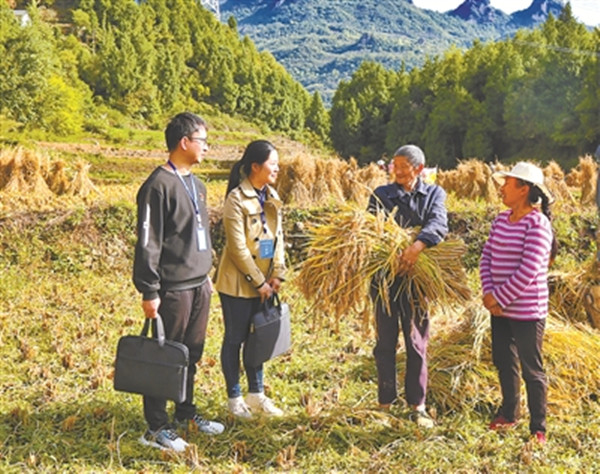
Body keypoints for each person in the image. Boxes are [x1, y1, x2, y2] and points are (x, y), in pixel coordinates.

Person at [133, 112, 224, 452]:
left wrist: (206, 275)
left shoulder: (197, 185)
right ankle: (156, 427)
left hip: (199, 283)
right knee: (165, 355)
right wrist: (150, 289)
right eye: (202, 140)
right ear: (184, 142)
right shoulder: (157, 186)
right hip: (172, 287)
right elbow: (149, 241)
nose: (206, 147)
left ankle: (186, 413)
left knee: (191, 353)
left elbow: (199, 235)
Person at [367, 144, 448, 428]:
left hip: (417, 280)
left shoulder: (434, 194)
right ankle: (385, 404)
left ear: (419, 169)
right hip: (385, 279)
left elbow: (438, 223)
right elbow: (370, 229)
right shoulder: (381, 195)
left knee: (416, 342)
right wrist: (392, 254)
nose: (398, 171)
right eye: (395, 166)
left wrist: (416, 246)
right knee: (385, 342)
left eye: (404, 166)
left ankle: (418, 406)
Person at [479, 162, 556, 445]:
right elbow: (486, 257)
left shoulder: (538, 224)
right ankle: (509, 413)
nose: (501, 188)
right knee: (504, 360)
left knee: (531, 368)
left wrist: (499, 297)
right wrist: (489, 293)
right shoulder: (501, 220)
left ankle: (538, 427)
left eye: (507, 184)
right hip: (499, 310)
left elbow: (529, 270)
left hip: (526, 311)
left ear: (524, 190)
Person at [215, 139, 287, 419]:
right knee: (235, 338)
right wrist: (259, 282)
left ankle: (256, 395)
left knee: (258, 338)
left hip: (265, 283)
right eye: (272, 164)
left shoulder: (271, 195)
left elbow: (278, 238)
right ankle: (234, 398)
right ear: (255, 166)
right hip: (238, 283)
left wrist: (278, 273)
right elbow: (237, 249)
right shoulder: (236, 199)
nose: (277, 168)